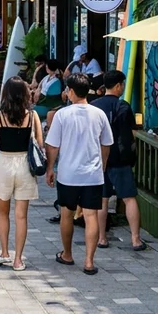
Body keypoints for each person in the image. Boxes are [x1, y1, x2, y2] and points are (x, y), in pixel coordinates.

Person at [44, 73, 113, 275]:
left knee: (67, 214)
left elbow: (53, 145)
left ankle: (67, 254)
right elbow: (106, 144)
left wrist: (50, 168)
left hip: (68, 174)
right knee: (91, 215)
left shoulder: (62, 115)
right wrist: (103, 165)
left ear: (71, 91)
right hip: (93, 174)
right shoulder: (99, 114)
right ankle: (89, 261)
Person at [0, 77, 43, 270]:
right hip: (25, 165)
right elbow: (40, 144)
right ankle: (18, 259)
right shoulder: (33, 116)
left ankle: (4, 252)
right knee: (21, 216)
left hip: (4, 162)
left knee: (3, 212)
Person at [91, 70, 146, 250]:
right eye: (122, 84)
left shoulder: (94, 106)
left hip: (99, 159)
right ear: (118, 86)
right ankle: (135, 239)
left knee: (102, 199)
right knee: (129, 198)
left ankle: (101, 238)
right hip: (120, 158)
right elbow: (130, 133)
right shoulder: (123, 106)